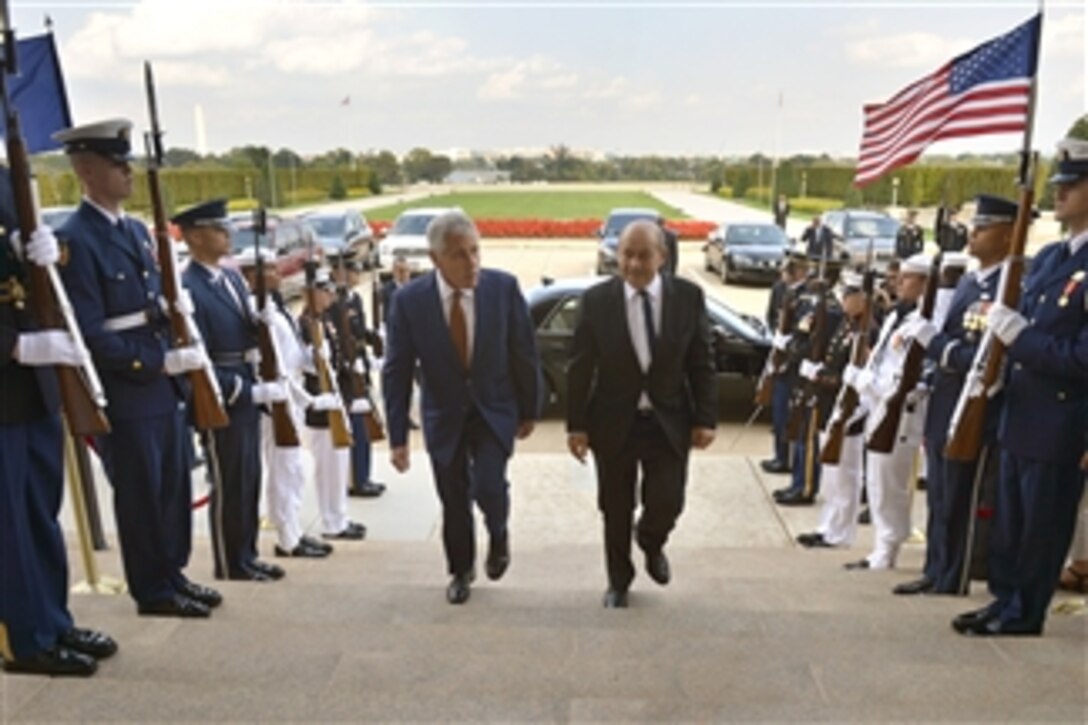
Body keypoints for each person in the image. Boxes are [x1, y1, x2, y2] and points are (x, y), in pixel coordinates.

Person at [55, 119, 221, 617]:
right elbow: (88, 330)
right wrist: (154, 361)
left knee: (172, 487)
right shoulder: (76, 240)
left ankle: (172, 574)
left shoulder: (132, 230)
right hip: (128, 389)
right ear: (86, 169)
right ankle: (152, 590)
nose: (128, 172)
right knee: (142, 494)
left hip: (163, 386)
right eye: (116, 163)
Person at [953, 136, 1088, 637]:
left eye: (1073, 185)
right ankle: (1004, 598)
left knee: (1041, 527)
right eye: (1060, 184)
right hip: (1021, 409)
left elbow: (1082, 357)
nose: (1061, 194)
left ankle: (1024, 612)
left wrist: (1021, 338)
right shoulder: (1053, 256)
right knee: (1009, 522)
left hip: (1060, 418)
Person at [383, 210, 542, 605]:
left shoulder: (502, 289)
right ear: (436, 259)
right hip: (444, 414)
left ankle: (499, 532)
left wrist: (530, 409)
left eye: (475, 251)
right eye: (458, 255)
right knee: (453, 498)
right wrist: (398, 437)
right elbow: (397, 370)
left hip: (494, 408)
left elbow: (524, 352)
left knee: (489, 484)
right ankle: (460, 570)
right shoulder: (409, 302)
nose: (471, 263)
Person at [0, 174, 117, 676]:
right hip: (11, 370)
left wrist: (50, 259)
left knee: (40, 515)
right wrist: (14, 345)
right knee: (8, 525)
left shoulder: (6, 182)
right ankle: (24, 640)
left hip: (35, 384)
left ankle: (52, 619)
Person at [567, 220, 717, 608]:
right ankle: (619, 580)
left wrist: (706, 418)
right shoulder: (597, 302)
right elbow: (580, 367)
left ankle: (651, 540)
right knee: (615, 507)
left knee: (668, 501)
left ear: (662, 257)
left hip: (669, 422)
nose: (633, 264)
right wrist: (576, 426)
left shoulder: (688, 298)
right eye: (626, 255)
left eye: (643, 255)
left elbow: (701, 362)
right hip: (613, 423)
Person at [892, 197, 1015, 597]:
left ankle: (953, 574)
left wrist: (936, 346)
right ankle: (935, 567)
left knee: (961, 494)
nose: (973, 234)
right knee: (941, 494)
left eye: (984, 227)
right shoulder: (968, 282)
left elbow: (985, 355)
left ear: (1009, 233)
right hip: (946, 399)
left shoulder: (1008, 287)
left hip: (974, 405)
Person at [176, 199, 286, 583]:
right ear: (193, 236)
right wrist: (242, 389)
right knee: (228, 482)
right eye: (217, 228)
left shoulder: (232, 278)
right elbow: (197, 355)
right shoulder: (189, 286)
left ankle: (247, 553)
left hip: (245, 380)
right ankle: (229, 562)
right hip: (223, 394)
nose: (227, 234)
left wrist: (261, 326)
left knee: (248, 478)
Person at [236, 248, 332, 559]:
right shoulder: (255, 309)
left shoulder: (277, 307)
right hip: (278, 397)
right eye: (271, 270)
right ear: (254, 275)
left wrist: (311, 357)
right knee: (284, 469)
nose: (279, 274)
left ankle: (294, 530)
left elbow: (290, 354)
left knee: (292, 469)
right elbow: (271, 364)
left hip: (291, 390)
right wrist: (310, 401)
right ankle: (287, 538)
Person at [844, 253, 931, 571]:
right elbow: (881, 359)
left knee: (890, 484)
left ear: (924, 283)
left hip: (899, 413)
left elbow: (906, 379)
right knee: (877, 482)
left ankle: (888, 546)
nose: (897, 282)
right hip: (879, 408)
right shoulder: (898, 315)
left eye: (906, 277)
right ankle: (881, 545)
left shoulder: (923, 322)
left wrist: (865, 381)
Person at [796, 274, 875, 548]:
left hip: (850, 410)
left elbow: (863, 375)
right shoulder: (846, 325)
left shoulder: (869, 331)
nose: (845, 300)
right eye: (845, 294)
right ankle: (828, 526)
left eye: (851, 295)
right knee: (831, 475)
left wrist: (823, 378)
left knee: (846, 475)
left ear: (863, 300)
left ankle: (841, 533)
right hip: (831, 405)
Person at [299, 268, 367, 543]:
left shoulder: (326, 320)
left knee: (339, 466)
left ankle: (339, 516)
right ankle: (331, 522)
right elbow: (303, 366)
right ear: (310, 294)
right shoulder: (304, 324)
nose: (329, 296)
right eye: (323, 291)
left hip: (336, 401)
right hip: (320, 407)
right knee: (328, 468)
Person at [775, 258, 844, 506]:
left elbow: (822, 344)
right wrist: (794, 351)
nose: (814, 281)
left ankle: (805, 487)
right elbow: (801, 334)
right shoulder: (813, 306)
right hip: (804, 375)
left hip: (817, 380)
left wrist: (807, 359)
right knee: (801, 433)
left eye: (821, 278)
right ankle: (797, 482)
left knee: (809, 438)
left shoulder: (833, 311)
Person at [328, 252, 385, 499]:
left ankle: (364, 475)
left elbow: (359, 334)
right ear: (339, 273)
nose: (356, 275)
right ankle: (356, 480)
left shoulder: (355, 299)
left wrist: (374, 340)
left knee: (366, 425)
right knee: (356, 428)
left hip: (361, 369)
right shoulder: (334, 303)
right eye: (352, 271)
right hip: (347, 375)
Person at [761, 251, 809, 475]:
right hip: (780, 358)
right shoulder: (781, 289)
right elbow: (773, 316)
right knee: (779, 413)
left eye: (790, 270)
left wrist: (788, 349)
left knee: (790, 415)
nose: (785, 274)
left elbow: (806, 334)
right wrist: (777, 340)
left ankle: (787, 459)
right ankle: (780, 456)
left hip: (794, 366)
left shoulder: (809, 297)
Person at [380, 254, 412, 328]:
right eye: (401, 271)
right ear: (394, 272)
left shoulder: (414, 288)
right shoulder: (388, 290)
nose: (405, 274)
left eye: (407, 270)